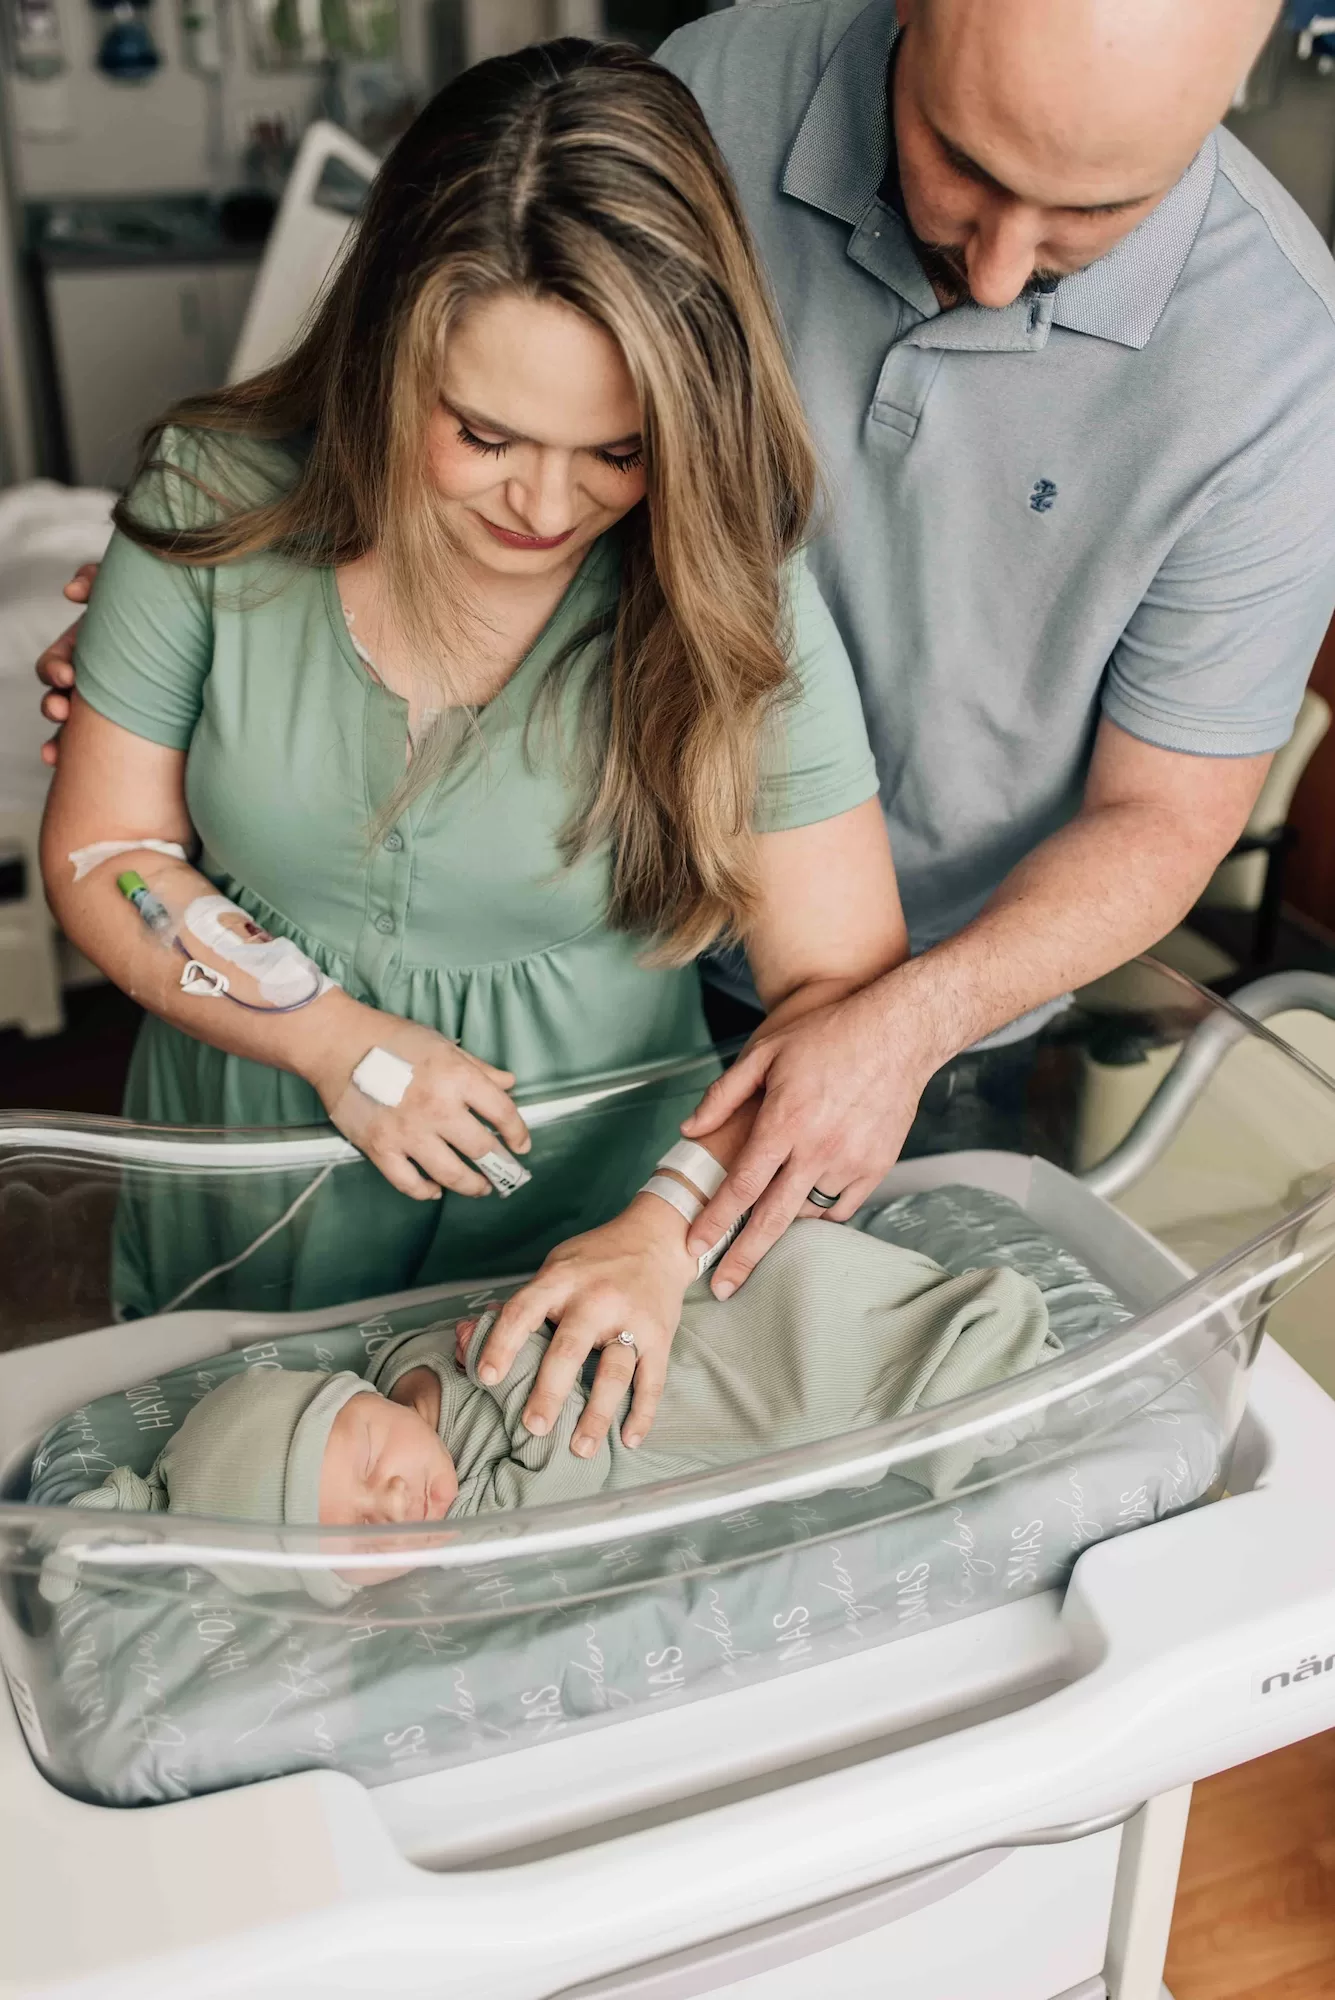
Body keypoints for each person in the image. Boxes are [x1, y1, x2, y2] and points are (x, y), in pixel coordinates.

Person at [37, 40, 905, 1459]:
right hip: (255, 1186)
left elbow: (840, 999)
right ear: (389, 353)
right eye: (483, 432)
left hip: (589, 1228)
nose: (545, 507)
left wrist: (662, 1234)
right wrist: (336, 1048)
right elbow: (109, 854)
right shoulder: (209, 500)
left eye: (616, 455)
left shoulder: (729, 595)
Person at [608, 0, 1335, 1298]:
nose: (997, 268)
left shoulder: (1278, 369)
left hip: (937, 1012)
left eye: (1088, 214)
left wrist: (908, 1028)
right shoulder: (713, 89)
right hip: (600, 920)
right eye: (964, 164)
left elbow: (1163, 815)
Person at [57, 1221, 1054, 1583]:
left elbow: (506, 1333)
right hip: (696, 1410)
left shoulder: (427, 1358)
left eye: (370, 1465)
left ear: (357, 1395)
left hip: (694, 1318)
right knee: (803, 1422)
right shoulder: (477, 1512)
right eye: (358, 1540)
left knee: (780, 1324)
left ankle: (939, 1335)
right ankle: (948, 1359)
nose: (398, 1504)